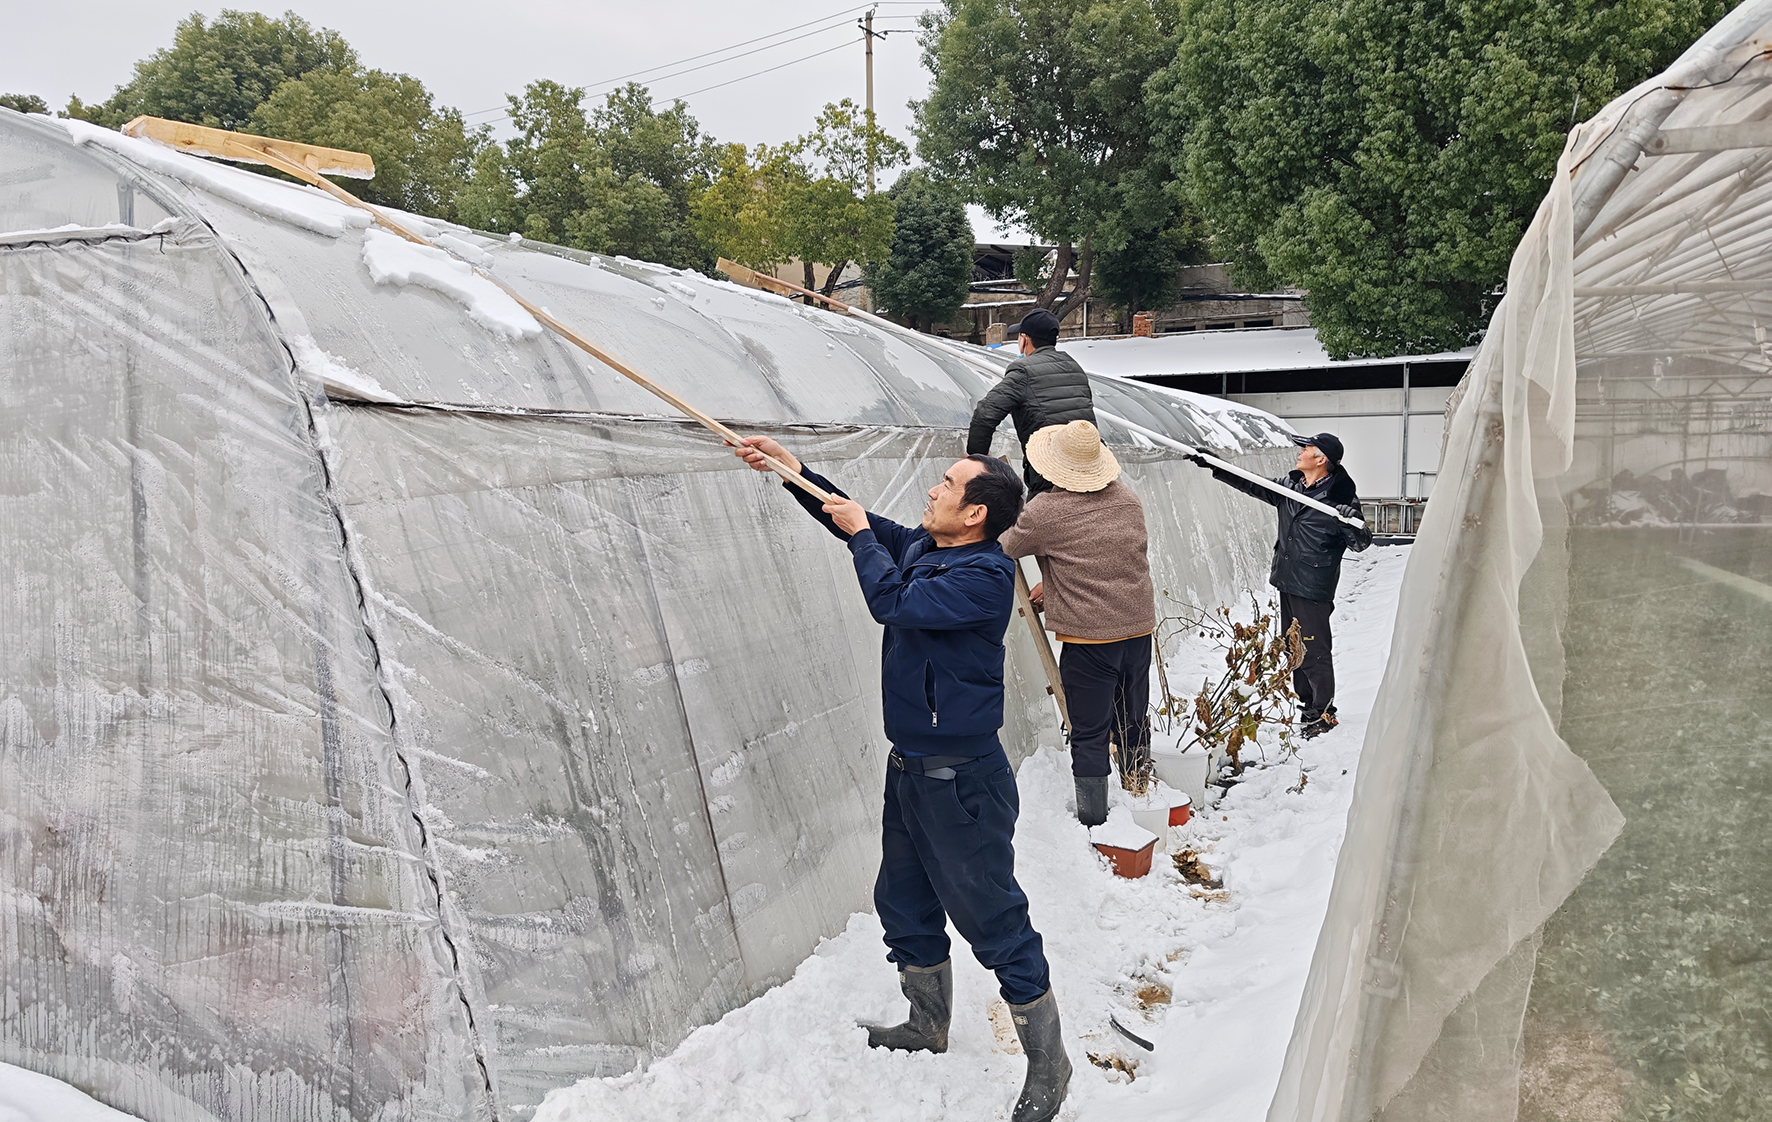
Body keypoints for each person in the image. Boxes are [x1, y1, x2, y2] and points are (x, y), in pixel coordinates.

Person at [731, 435, 1072, 1122]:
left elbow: (890, 599)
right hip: (910, 771)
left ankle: (1049, 1062)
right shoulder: (927, 547)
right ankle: (927, 1023)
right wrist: (792, 470)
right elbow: (852, 519)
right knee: (903, 901)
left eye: (947, 484)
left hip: (963, 782)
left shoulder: (983, 576)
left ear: (975, 514)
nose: (932, 490)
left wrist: (862, 535)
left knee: (993, 919)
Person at [997, 421, 1155, 827]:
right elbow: (1105, 558)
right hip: (1137, 628)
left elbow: (1005, 546)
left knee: (1090, 732)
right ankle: (1139, 791)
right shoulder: (1127, 499)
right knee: (1132, 717)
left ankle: (1095, 821)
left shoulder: (1046, 511)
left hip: (1090, 639)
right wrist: (1054, 584)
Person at [1190, 433, 1373, 738]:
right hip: (1287, 581)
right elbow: (1252, 483)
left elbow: (1361, 542)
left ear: (1321, 459)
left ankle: (1323, 713)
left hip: (1313, 586)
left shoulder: (1339, 498)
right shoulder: (1291, 487)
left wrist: (1348, 520)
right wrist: (1215, 465)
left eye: (1307, 448)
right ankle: (1307, 706)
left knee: (1314, 651)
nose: (1300, 452)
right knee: (1293, 647)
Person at [967, 307, 1096, 496]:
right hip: (1090, 466)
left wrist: (977, 459)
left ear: (1025, 339)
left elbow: (985, 414)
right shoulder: (1073, 366)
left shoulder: (1023, 370)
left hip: (1049, 471)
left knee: (1038, 514)